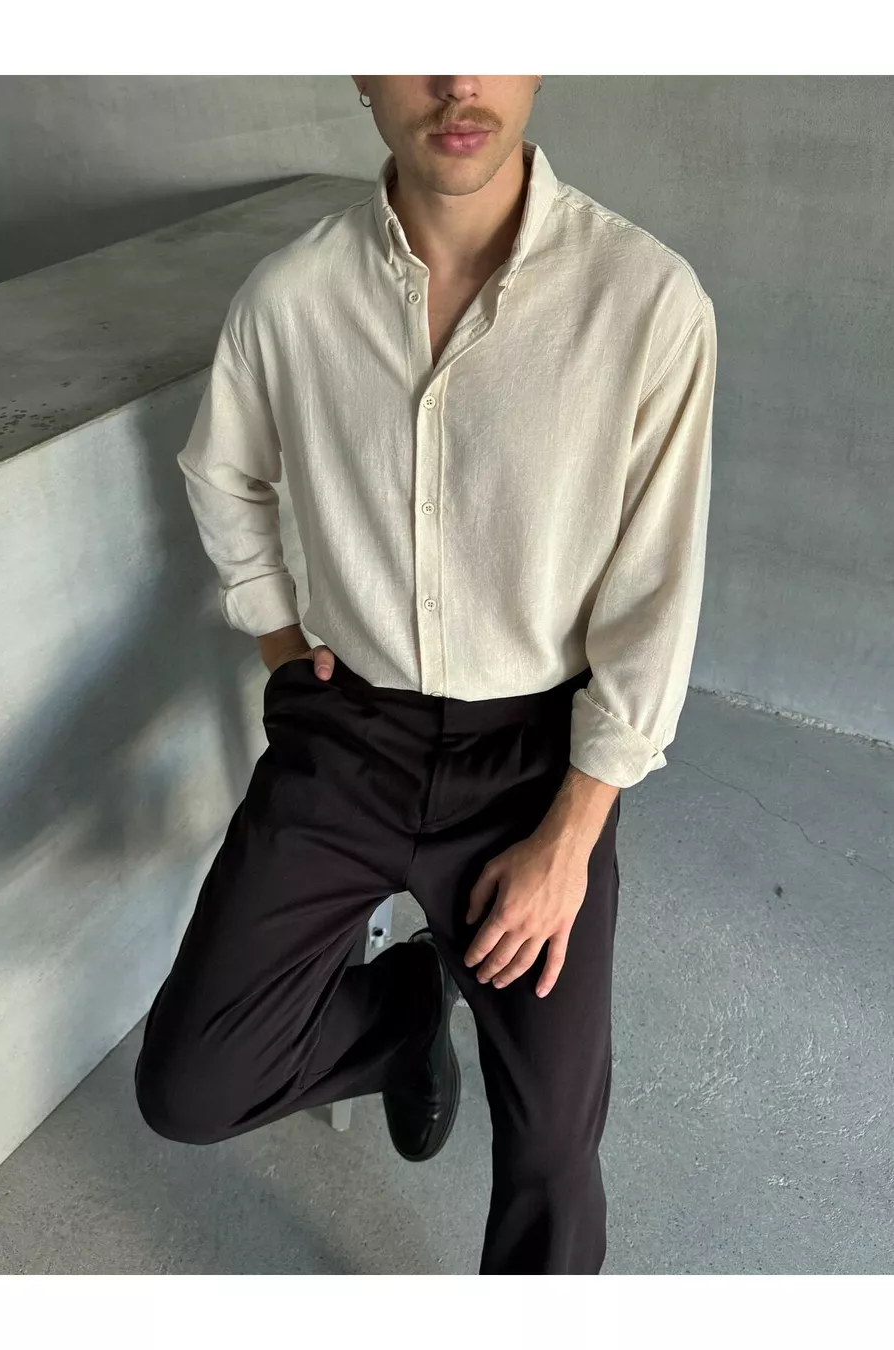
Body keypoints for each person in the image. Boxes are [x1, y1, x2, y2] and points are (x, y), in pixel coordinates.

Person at [134, 75, 717, 1275]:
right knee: (192, 1083)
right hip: (349, 729)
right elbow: (222, 475)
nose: (457, 79)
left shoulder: (646, 301)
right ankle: (406, 1012)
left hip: (536, 765)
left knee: (552, 1150)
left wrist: (572, 836)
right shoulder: (292, 296)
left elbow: (656, 596)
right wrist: (282, 644)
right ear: (360, 67)